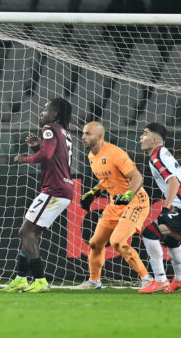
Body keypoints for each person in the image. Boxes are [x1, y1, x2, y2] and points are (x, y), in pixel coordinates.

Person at [0, 99, 74, 293]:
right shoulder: (65, 133)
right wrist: (36, 148)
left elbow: (47, 155)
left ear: (55, 114)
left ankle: (40, 280)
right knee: (29, 234)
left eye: (45, 109)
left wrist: (24, 158)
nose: (41, 113)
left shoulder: (50, 128)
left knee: (26, 232)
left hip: (54, 189)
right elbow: (53, 157)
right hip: (64, 188)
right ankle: (21, 278)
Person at [74, 122, 152, 289]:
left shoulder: (115, 153)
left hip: (136, 201)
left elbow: (137, 178)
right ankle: (94, 282)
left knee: (117, 241)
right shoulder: (91, 156)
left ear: (100, 136)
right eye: (83, 133)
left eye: (88, 134)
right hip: (115, 204)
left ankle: (147, 279)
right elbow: (107, 178)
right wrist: (94, 192)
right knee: (95, 243)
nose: (83, 137)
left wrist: (128, 195)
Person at [137, 123, 181, 294]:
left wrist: (166, 209)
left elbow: (174, 182)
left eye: (145, 134)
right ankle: (178, 279)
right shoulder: (162, 154)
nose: (141, 137)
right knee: (171, 239)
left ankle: (160, 279)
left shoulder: (157, 157)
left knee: (149, 233)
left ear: (154, 140)